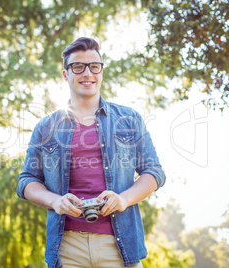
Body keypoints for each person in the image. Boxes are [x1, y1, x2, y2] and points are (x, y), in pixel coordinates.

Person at [17, 37, 165, 268]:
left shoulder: (129, 119)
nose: (87, 73)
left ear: (101, 72)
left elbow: (154, 172)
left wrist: (123, 199)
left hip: (120, 245)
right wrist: (56, 201)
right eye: (78, 67)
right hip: (67, 247)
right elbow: (27, 181)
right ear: (66, 74)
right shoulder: (45, 127)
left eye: (94, 66)